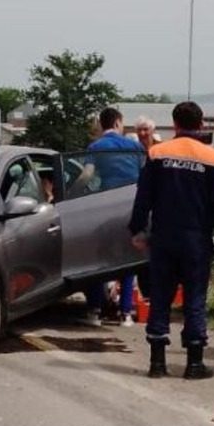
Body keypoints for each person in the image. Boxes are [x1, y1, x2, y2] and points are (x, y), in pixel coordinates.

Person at [129, 101, 214, 380]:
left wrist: (137, 230)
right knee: (195, 299)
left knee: (161, 296)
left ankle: (157, 364)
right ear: (201, 125)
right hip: (196, 240)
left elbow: (143, 197)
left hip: (163, 238)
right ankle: (194, 363)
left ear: (175, 124)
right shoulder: (213, 157)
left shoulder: (157, 153)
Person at [81, 107, 145, 327]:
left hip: (104, 207)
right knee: (128, 260)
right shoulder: (135, 147)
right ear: (118, 123)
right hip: (131, 206)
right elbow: (146, 176)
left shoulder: (96, 147)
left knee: (99, 260)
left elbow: (87, 174)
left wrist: (76, 192)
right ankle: (126, 313)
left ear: (101, 124)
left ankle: (95, 311)